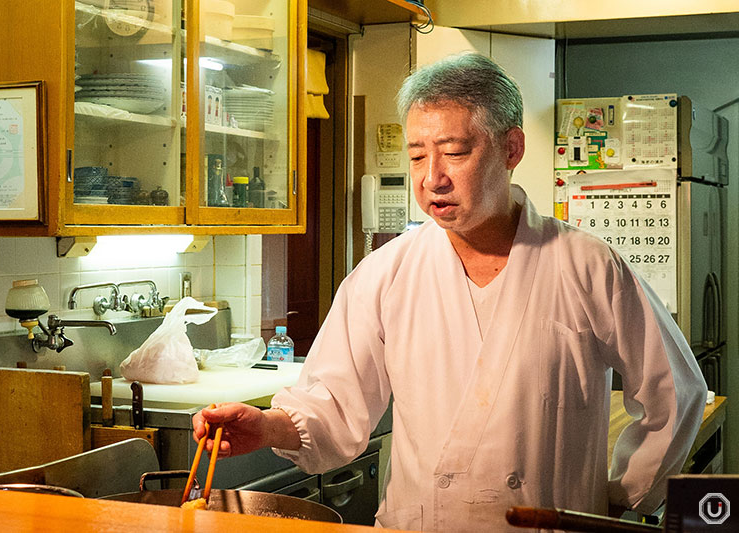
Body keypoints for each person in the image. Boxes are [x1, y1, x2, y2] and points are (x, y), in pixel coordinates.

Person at [193, 52, 707, 531]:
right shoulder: (386, 274)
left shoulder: (587, 265)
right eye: (417, 157)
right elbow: (331, 405)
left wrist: (626, 496)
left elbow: (675, 393)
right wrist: (268, 427)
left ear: (511, 149)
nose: (432, 178)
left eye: (454, 152)